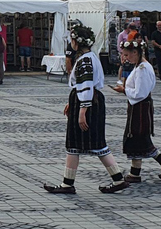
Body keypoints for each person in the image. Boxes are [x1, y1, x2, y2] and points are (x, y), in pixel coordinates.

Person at [43, 24, 129, 195]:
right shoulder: (90, 57)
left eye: (72, 40)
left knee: (90, 143)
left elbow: (86, 85)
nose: (71, 43)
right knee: (82, 144)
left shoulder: (85, 60)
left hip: (89, 104)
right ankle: (70, 183)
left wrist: (82, 110)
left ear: (77, 42)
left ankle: (116, 179)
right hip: (88, 101)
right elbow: (82, 86)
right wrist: (73, 102)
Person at [112, 38, 161, 183]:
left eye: (127, 55)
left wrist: (124, 90)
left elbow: (140, 92)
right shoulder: (140, 66)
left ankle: (136, 173)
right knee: (140, 138)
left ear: (136, 52)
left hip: (140, 107)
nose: (125, 58)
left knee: (135, 136)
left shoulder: (142, 69)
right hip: (138, 107)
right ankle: (160, 162)